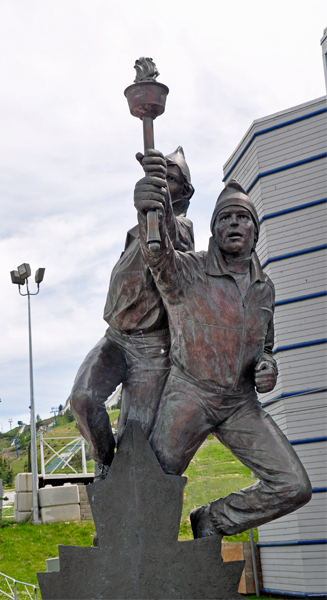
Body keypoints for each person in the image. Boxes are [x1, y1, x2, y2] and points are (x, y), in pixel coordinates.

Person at [134, 151, 312, 538]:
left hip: (240, 404)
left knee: (293, 486)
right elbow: (157, 253)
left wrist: (267, 366)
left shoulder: (265, 288)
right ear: (214, 230)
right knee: (148, 489)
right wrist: (152, 205)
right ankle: (122, 549)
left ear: (254, 229)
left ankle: (212, 520)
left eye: (242, 217)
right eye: (225, 218)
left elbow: (267, 345)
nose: (234, 223)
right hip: (190, 396)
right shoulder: (189, 269)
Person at [71, 147, 195, 479]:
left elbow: (170, 245)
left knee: (136, 443)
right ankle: (104, 463)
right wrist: (147, 206)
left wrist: (157, 204)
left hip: (152, 350)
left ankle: (125, 492)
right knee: (84, 399)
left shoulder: (181, 226)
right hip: (115, 337)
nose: (164, 183)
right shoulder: (138, 228)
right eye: (160, 177)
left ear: (185, 192)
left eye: (171, 179)